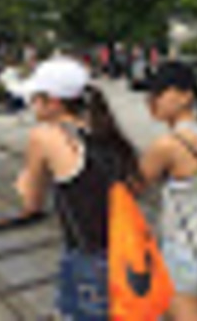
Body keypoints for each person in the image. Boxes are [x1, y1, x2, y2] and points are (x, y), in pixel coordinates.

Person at [14, 56, 143, 319]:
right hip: (126, 257)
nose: (30, 105)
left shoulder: (45, 135)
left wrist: (23, 183)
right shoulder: (103, 134)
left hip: (88, 262)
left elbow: (31, 201)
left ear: (53, 102)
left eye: (34, 98)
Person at [140, 61, 197, 321]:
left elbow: (132, 184)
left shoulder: (170, 144)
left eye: (160, 92)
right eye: (149, 94)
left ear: (185, 96)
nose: (151, 101)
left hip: (183, 251)